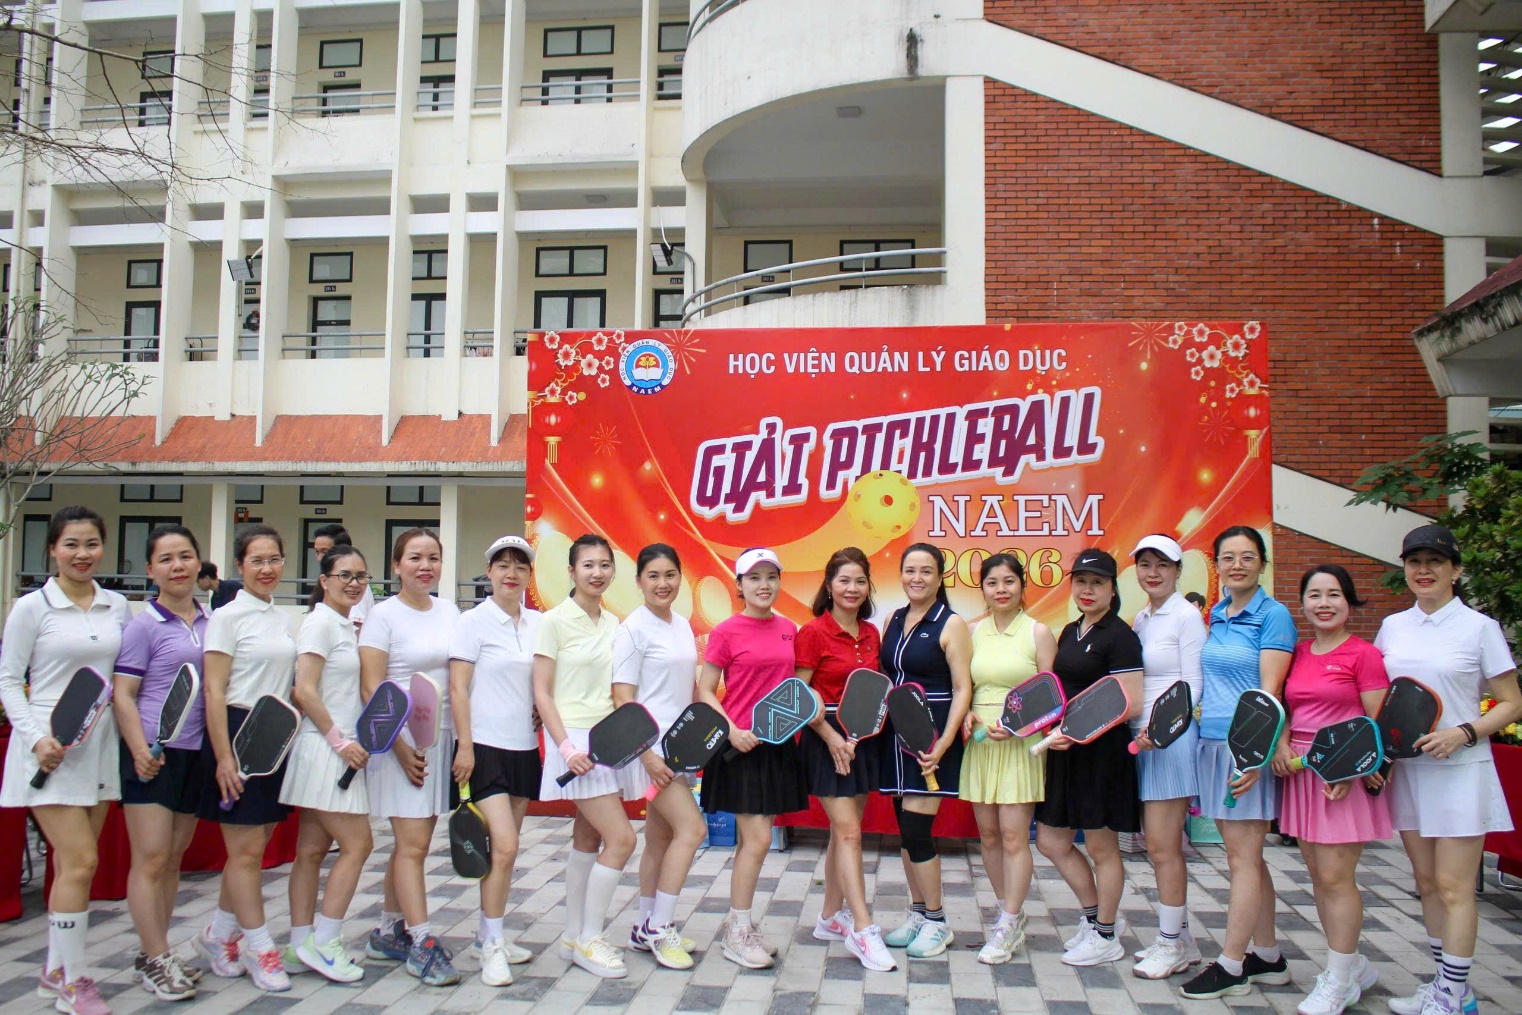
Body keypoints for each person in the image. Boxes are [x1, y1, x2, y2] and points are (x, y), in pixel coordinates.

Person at [1375, 525, 1521, 1015]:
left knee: (1456, 886)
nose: (1424, 570)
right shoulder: (1393, 626)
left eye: (1435, 562)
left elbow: (1511, 703)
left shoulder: (1480, 628)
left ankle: (1454, 995)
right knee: (1427, 882)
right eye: (1414, 562)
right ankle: (1447, 985)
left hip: (1461, 770)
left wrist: (1464, 733)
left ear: (1455, 571)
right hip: (1410, 773)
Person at [0, 506, 132, 1015]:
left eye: (92, 544)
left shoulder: (118, 605)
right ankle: (76, 980)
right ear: (53, 549)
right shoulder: (32, 607)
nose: (82, 554)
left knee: (71, 865)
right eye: (71, 544)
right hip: (48, 752)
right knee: (81, 861)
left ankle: (55, 971)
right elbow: (9, 680)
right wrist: (36, 739)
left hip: (98, 747)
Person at [1180, 526, 1297, 1000]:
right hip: (1213, 743)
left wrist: (1254, 755)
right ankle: (1268, 957)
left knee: (1242, 858)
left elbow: (1270, 692)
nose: (1237, 565)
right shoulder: (1218, 612)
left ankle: (1231, 965)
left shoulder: (1274, 615)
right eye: (1228, 557)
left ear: (1262, 564)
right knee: (1246, 856)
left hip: (1244, 748)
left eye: (1247, 557)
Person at [1274, 565, 1389, 1015]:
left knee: (1337, 879)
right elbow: (1287, 709)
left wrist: (1349, 769)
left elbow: (1377, 725)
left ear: (1349, 602)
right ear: (1303, 603)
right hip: (1302, 774)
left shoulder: (1364, 654)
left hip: (1342, 779)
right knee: (1319, 876)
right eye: (1315, 595)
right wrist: (1282, 743)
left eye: (1334, 594)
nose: (1324, 603)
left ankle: (1339, 982)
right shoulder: (1299, 652)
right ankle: (1352, 966)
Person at [193, 524, 298, 993]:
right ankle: (260, 947)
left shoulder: (280, 615)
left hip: (274, 736)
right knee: (246, 852)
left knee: (252, 850)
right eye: (257, 560)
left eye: (274, 559)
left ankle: (217, 935)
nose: (267, 568)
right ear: (239, 565)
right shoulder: (227, 617)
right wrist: (223, 756)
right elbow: (214, 691)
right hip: (237, 734)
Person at [696, 547, 808, 969]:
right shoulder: (726, 631)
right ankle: (738, 932)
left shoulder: (789, 629)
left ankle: (740, 925)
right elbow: (705, 690)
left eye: (771, 577)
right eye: (754, 578)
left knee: (752, 841)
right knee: (758, 841)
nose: (764, 585)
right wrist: (731, 730)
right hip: (739, 747)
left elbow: (794, 689)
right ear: (739, 585)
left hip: (777, 747)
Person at [360, 527, 461, 986]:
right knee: (414, 845)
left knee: (411, 843)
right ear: (396, 565)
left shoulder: (450, 611)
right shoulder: (382, 616)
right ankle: (421, 942)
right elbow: (371, 687)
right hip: (399, 741)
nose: (425, 566)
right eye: (415, 557)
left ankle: (388, 931)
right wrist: (398, 748)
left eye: (433, 557)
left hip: (439, 737)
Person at [114, 524, 211, 1001]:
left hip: (195, 751)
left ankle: (156, 951)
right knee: (151, 858)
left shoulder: (211, 620)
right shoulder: (143, 625)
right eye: (167, 559)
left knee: (172, 857)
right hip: (152, 755)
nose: (178, 566)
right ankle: (155, 958)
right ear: (151, 569)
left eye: (185, 556)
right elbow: (123, 694)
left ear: (198, 562)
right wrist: (138, 750)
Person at [1036, 549, 1145, 967]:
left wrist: (1079, 732)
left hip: (1102, 755)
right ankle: (1096, 917)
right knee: (1051, 841)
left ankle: (1106, 934)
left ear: (1113, 589)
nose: (1088, 590)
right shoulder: (1069, 631)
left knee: (1101, 848)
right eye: (1081, 581)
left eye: (1098, 583)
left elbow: (1131, 702)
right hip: (1066, 752)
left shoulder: (1120, 636)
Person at [533, 533, 633, 980]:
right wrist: (565, 747)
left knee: (588, 839)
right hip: (573, 742)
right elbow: (542, 692)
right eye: (588, 565)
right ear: (571, 571)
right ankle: (592, 939)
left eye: (604, 565)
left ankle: (573, 935)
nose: (597, 573)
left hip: (606, 741)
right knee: (623, 839)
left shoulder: (614, 624)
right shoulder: (553, 622)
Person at [277, 544, 375, 984]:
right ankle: (326, 941)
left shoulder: (343, 623)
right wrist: (340, 742)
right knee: (358, 845)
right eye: (344, 575)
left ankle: (300, 944)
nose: (354, 583)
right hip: (326, 750)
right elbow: (304, 690)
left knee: (312, 851)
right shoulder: (320, 623)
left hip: (332, 749)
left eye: (361, 576)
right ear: (324, 580)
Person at [795, 547, 895, 972]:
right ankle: (863, 928)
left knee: (844, 832)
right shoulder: (812, 632)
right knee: (851, 832)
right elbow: (799, 695)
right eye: (844, 580)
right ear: (829, 585)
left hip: (863, 740)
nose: (852, 588)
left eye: (859, 581)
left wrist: (856, 737)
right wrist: (832, 737)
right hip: (825, 741)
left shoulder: (872, 633)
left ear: (868, 586)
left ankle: (828, 917)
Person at [449, 535, 543, 985]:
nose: (511, 573)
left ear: (529, 575)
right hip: (483, 748)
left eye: (520, 566)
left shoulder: (539, 623)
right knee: (503, 847)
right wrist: (464, 745)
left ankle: (489, 935)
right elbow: (457, 687)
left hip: (524, 748)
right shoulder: (473, 621)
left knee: (505, 851)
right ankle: (490, 945)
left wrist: (542, 706)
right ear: (488, 572)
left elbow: (544, 681)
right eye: (502, 565)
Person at [612, 543, 707, 971]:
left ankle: (643, 924)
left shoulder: (681, 624)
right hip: (652, 753)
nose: (662, 583)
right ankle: (660, 927)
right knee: (693, 829)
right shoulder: (633, 629)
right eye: (653, 576)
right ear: (638, 581)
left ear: (680, 578)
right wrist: (648, 756)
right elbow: (623, 698)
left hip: (679, 749)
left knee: (660, 838)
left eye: (670, 575)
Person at [960, 553, 1057, 965]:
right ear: (982, 589)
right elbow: (964, 687)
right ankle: (1007, 913)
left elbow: (1051, 698)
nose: (1001, 589)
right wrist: (967, 715)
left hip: (1020, 744)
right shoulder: (971, 632)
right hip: (982, 744)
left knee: (1015, 836)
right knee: (989, 836)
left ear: (1022, 585)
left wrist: (1019, 725)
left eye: (1009, 581)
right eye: (992, 582)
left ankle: (1009, 920)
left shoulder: (1038, 632)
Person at [878, 542, 973, 960]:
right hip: (897, 734)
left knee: (918, 830)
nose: (916, 578)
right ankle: (918, 914)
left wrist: (946, 742)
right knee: (905, 829)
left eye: (926, 571)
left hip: (933, 737)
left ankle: (937, 921)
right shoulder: (893, 619)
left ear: (939, 577)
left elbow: (962, 688)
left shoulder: (952, 624)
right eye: (910, 570)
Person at [1128, 534, 1207, 979]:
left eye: (1162, 564)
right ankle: (1184, 940)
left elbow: (1193, 684)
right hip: (1141, 739)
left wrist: (1163, 729)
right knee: (1156, 843)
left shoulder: (1186, 616)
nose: (1153, 572)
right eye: (1145, 564)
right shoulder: (1142, 617)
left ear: (1178, 570)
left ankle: (1170, 943)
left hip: (1170, 741)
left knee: (1163, 846)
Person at [312, 524, 374, 627]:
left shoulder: (355, 588)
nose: (319, 558)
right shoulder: (318, 621)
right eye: (317, 552)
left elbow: (356, 628)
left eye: (325, 552)